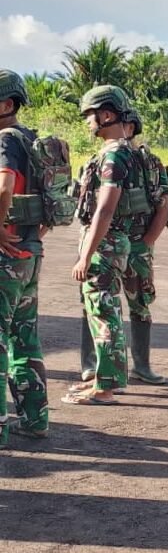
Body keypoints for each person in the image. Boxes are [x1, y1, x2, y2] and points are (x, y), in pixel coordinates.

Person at [63, 85, 149, 406]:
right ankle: (105, 378)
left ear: (107, 114)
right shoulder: (123, 151)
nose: (88, 122)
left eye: (91, 115)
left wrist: (85, 255)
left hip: (106, 244)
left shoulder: (114, 154)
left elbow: (106, 208)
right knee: (104, 311)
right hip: (114, 243)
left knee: (104, 313)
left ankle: (106, 388)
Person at [76, 108, 168, 387]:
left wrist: (145, 243)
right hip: (114, 242)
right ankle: (92, 366)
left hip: (133, 242)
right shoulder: (103, 159)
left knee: (135, 303)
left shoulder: (149, 163)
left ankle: (139, 366)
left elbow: (163, 207)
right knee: (94, 302)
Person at [0, 69, 50, 444]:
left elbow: (4, 184)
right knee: (24, 335)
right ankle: (35, 418)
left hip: (7, 253)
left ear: (6, 104)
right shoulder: (31, 139)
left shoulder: (5, 140)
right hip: (29, 249)